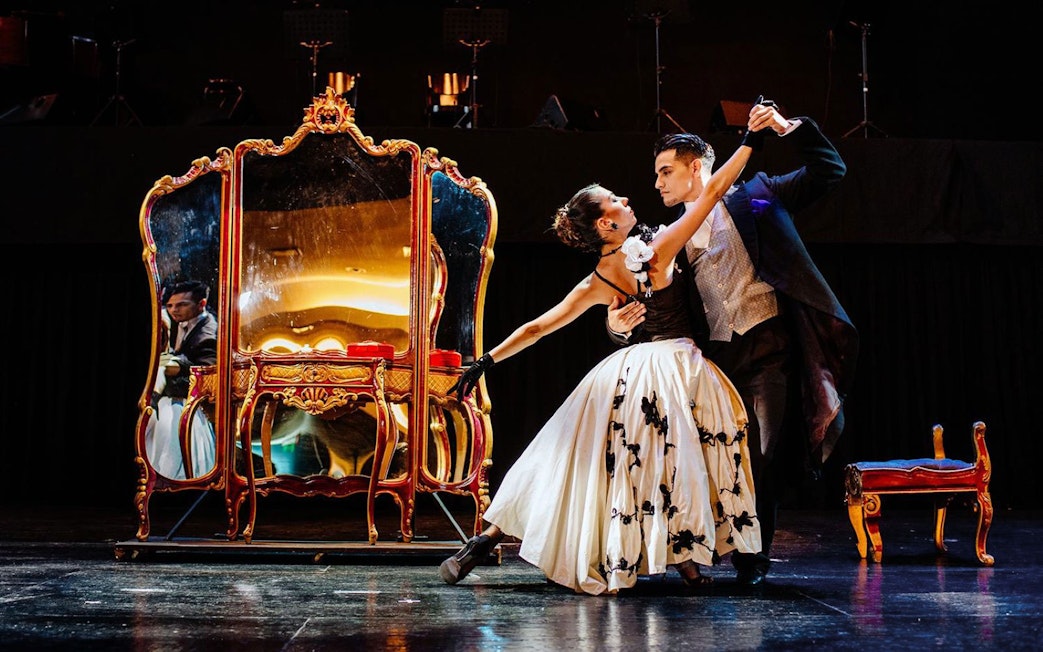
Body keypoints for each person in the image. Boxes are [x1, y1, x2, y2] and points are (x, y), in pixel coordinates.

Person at [438, 134, 762, 595]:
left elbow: (537, 327)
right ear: (606, 225)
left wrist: (486, 360)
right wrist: (750, 143)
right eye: (614, 201)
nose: (627, 198)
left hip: (623, 371)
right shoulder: (658, 250)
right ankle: (688, 562)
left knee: (568, 457)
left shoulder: (597, 280)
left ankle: (485, 538)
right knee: (671, 461)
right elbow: (710, 193)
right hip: (673, 365)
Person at [606, 100, 859, 585]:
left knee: (761, 453)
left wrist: (788, 128)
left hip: (768, 350)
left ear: (695, 168)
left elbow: (830, 170)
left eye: (665, 172)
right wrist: (617, 326)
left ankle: (752, 556)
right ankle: (694, 547)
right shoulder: (663, 239)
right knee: (703, 455)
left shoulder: (757, 199)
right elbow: (646, 309)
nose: (657, 183)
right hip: (710, 361)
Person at [145, 280, 218, 479]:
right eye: (170, 305)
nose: (174, 310)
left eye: (182, 305)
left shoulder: (207, 334)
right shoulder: (176, 323)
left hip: (189, 402)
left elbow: (206, 376)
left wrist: (171, 373)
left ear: (201, 304)